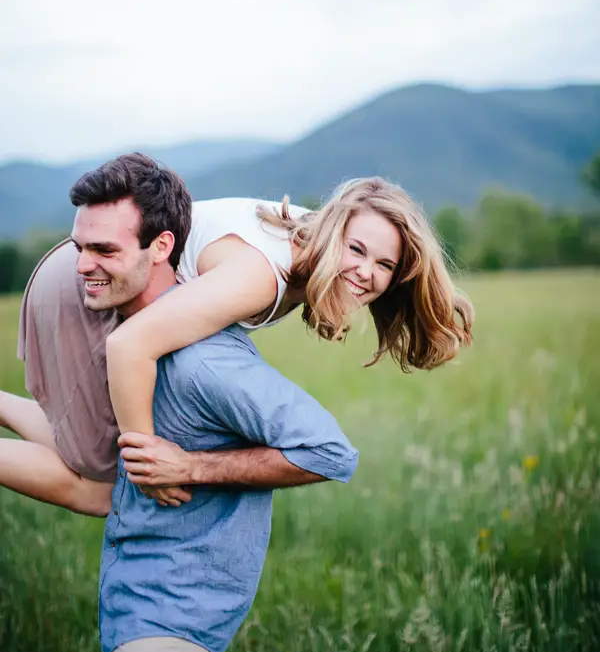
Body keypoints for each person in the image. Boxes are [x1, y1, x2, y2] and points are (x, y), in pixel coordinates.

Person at [1, 153, 472, 512]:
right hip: (96, 275)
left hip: (108, 272)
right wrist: (150, 468)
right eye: (357, 250)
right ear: (334, 232)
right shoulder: (260, 274)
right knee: (106, 488)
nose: (366, 271)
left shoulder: (314, 243)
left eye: (385, 265)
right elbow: (131, 344)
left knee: (94, 456)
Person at [62, 178, 355, 652]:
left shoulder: (205, 362)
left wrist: (190, 467)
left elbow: (330, 452)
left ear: (161, 249)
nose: (84, 265)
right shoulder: (138, 366)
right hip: (135, 608)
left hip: (176, 625)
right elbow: (83, 477)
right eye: (79, 249)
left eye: (103, 250)